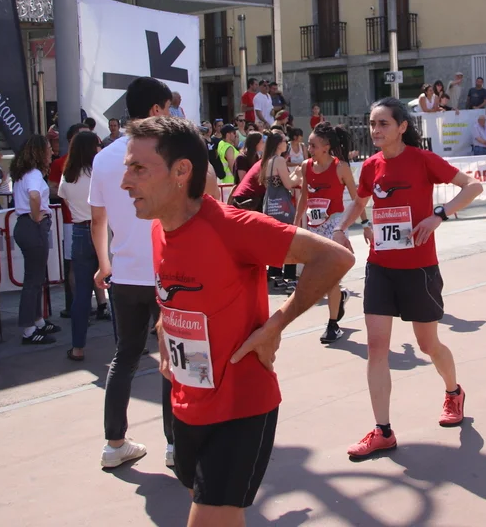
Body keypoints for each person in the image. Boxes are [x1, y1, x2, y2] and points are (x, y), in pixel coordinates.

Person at [116, 117, 353, 525]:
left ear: (181, 172)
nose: (125, 182)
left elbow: (334, 257)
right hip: (186, 405)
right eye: (128, 167)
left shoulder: (231, 227)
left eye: (138, 169)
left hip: (240, 407)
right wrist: (164, 333)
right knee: (210, 507)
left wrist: (276, 324)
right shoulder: (159, 229)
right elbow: (173, 296)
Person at [331, 97, 482, 459]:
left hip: (419, 268)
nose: (375, 130)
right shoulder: (371, 166)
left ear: (402, 127)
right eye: (372, 124)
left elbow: (473, 186)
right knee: (376, 347)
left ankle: (453, 392)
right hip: (380, 267)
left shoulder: (422, 159)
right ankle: (382, 431)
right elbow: (360, 201)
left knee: (428, 345)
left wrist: (438, 215)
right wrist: (343, 227)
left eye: (383, 123)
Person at [90, 78, 188, 469]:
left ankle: (114, 443)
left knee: (125, 356)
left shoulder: (103, 158)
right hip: (167, 273)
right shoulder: (166, 152)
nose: (172, 114)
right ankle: (175, 444)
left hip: (125, 274)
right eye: (168, 107)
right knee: (172, 359)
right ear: (155, 110)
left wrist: (104, 263)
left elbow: (97, 220)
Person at [295, 121, 361, 343]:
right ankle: (340, 297)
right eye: (308, 145)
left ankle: (333, 325)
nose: (309, 149)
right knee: (321, 280)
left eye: (313, 145)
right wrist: (296, 224)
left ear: (326, 147)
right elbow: (304, 196)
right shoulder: (306, 166)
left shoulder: (340, 168)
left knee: (330, 278)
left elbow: (357, 198)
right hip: (314, 227)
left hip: (335, 226)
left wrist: (366, 224)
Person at [10, 134, 60, 346]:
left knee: (37, 277)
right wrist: (37, 215)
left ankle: (37, 320)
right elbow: (34, 195)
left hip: (26, 226)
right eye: (47, 148)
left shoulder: (24, 173)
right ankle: (29, 329)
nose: (51, 152)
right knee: (33, 279)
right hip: (33, 226)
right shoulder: (33, 174)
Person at [59, 131, 103, 361]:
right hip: (102, 228)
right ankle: (125, 345)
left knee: (82, 293)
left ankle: (77, 347)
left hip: (79, 230)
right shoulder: (98, 173)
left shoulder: (68, 176)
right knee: (115, 289)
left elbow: (65, 199)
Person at [51, 123, 91, 319]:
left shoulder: (95, 166)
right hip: (76, 224)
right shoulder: (63, 165)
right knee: (76, 268)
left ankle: (99, 305)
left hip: (88, 225)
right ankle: (78, 308)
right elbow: (56, 191)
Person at [260, 131, 302, 291]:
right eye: (285, 140)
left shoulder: (267, 161)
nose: (287, 143)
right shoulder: (279, 160)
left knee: (276, 242)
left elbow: (277, 182)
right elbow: (289, 184)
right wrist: (299, 175)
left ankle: (276, 275)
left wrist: (293, 175)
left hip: (270, 206)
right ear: (278, 144)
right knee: (290, 241)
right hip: (282, 207)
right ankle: (290, 278)